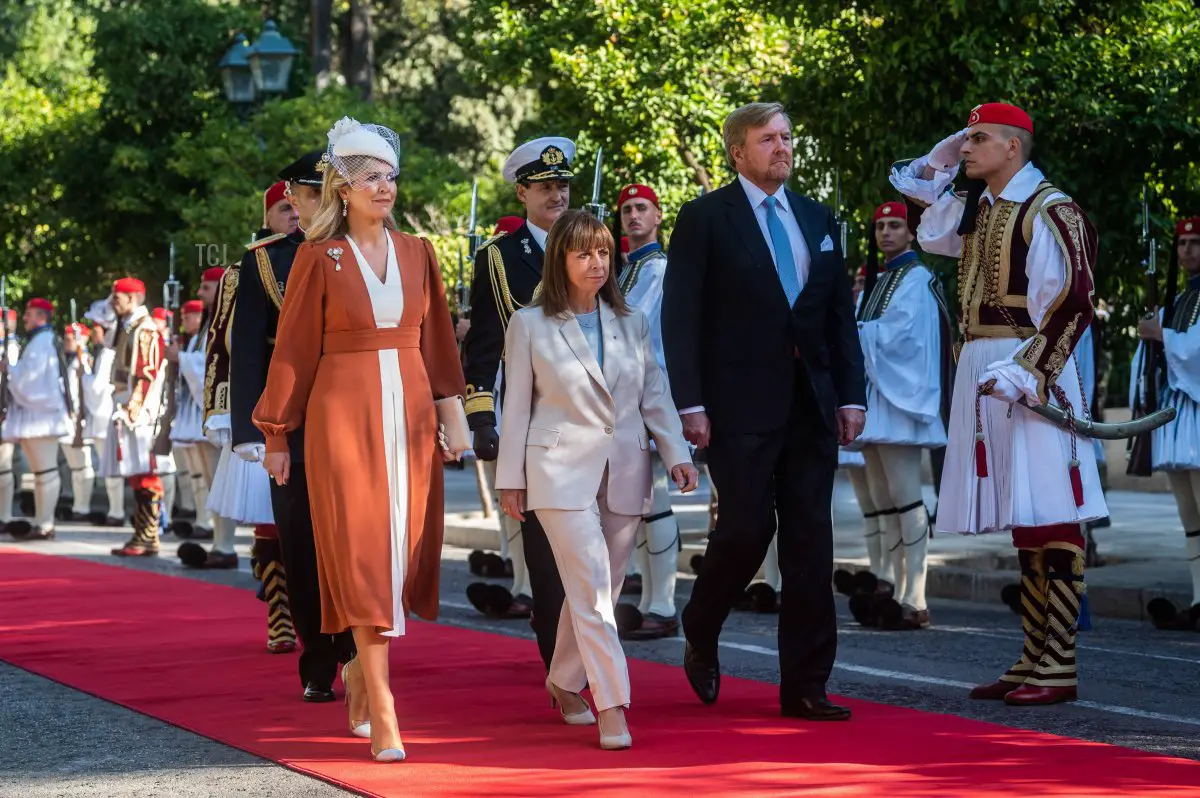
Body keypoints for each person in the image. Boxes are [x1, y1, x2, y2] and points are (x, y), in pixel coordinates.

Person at [255, 117, 466, 762]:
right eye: (372, 177)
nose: (386, 187)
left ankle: (357, 677)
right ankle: (384, 707)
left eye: (391, 176)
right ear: (342, 186)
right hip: (340, 420)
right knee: (363, 559)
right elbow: (291, 351)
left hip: (409, 418)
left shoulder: (419, 252)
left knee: (397, 558)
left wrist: (454, 419)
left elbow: (438, 346)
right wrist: (276, 434)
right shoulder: (319, 258)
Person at [889, 102, 1103, 705]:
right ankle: (1035, 654)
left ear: (1014, 146)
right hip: (984, 364)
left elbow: (1071, 303)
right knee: (1024, 510)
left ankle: (1058, 661)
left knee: (1051, 506)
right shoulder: (982, 209)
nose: (966, 147)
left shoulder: (1049, 209)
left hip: (1029, 367)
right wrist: (937, 160)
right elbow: (931, 231)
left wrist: (1031, 372)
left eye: (977, 138)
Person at [662, 102, 866, 721]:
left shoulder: (817, 217)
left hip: (811, 406)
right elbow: (682, 316)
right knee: (746, 531)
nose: (782, 147)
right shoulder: (704, 218)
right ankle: (701, 622)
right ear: (737, 152)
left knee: (812, 544)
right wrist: (689, 404)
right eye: (767, 138)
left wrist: (852, 394)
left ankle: (805, 685)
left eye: (786, 136)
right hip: (737, 406)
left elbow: (837, 319)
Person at [495, 210, 697, 750]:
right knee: (593, 592)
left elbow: (653, 391)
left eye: (604, 252)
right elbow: (514, 408)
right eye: (584, 253)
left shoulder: (631, 320)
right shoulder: (529, 324)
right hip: (558, 472)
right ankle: (612, 703)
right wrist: (509, 478)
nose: (597, 263)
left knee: (593, 589)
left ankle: (562, 682)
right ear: (560, 259)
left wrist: (676, 451)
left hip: (627, 469)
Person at [232, 150, 359, 704]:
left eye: (310, 194)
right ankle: (319, 656)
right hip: (295, 426)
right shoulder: (263, 261)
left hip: (355, 421)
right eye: (302, 195)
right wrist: (251, 430)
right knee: (302, 546)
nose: (300, 205)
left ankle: (359, 650)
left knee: (357, 542)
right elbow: (249, 355)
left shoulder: (364, 248)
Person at [460, 137, 572, 659]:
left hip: (595, 418)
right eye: (546, 187)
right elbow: (482, 343)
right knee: (545, 546)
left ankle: (592, 649)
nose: (558, 195)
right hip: (534, 417)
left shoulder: (592, 242)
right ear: (523, 193)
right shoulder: (500, 257)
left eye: (563, 185)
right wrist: (482, 417)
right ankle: (557, 655)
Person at [846, 201, 949, 630]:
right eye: (880, 226)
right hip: (875, 401)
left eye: (895, 226)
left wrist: (850, 330)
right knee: (883, 501)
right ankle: (889, 581)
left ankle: (916, 596)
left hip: (899, 403)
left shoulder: (918, 278)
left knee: (906, 498)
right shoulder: (879, 279)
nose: (886, 233)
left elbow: (905, 339)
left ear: (912, 233)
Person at [204, 184, 298, 655]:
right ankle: (279, 612)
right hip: (262, 401)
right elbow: (221, 343)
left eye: (300, 207)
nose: (295, 216)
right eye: (285, 208)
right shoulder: (245, 268)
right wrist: (224, 408)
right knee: (269, 515)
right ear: (268, 214)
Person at [603, 182, 683, 640]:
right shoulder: (623, 272)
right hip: (621, 397)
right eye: (627, 210)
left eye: (642, 209)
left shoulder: (662, 270)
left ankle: (664, 602)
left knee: (656, 498)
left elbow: (643, 332)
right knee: (639, 499)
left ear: (657, 216)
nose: (634, 216)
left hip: (649, 393)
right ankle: (649, 598)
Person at [1137, 216, 1200, 630]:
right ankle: (1199, 598)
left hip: (1196, 408)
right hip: (1179, 411)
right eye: (1182, 243)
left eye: (1195, 242)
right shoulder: (1179, 298)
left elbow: (1195, 351)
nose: (1188, 250)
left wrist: (1161, 335)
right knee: (1188, 511)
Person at [98, 278, 169, 556]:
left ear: (135, 297)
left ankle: (148, 535)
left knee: (145, 472)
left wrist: (134, 408)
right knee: (136, 473)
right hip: (126, 404)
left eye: (119, 296)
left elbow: (147, 371)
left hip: (139, 409)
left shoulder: (145, 328)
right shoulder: (127, 326)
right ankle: (142, 533)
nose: (114, 300)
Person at [174, 276, 238, 568]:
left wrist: (182, 360)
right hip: (202, 411)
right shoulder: (209, 324)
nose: (200, 293)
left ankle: (225, 546)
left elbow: (215, 364)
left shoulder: (228, 319)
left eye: (206, 288)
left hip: (220, 410)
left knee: (219, 481)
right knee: (210, 482)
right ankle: (218, 542)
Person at [2, 298, 71, 541]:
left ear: (41, 317)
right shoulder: (39, 341)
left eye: (29, 314)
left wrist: (9, 369)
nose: (25, 319)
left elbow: (31, 380)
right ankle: (42, 522)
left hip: (43, 417)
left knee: (46, 471)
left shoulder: (42, 343)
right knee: (42, 472)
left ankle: (45, 523)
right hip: (37, 416)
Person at [81, 300, 124, 526]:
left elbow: (96, 388)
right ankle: (114, 511)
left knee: (112, 469)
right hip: (101, 418)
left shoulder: (107, 353)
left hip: (105, 416)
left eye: (95, 326)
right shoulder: (104, 352)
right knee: (109, 469)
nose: (92, 330)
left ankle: (116, 512)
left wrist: (83, 372)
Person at [59, 322, 98, 522]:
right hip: (67, 417)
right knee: (75, 467)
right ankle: (77, 505)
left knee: (83, 465)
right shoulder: (65, 361)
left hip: (81, 417)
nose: (67, 342)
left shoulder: (87, 360)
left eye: (70, 339)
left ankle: (83, 507)